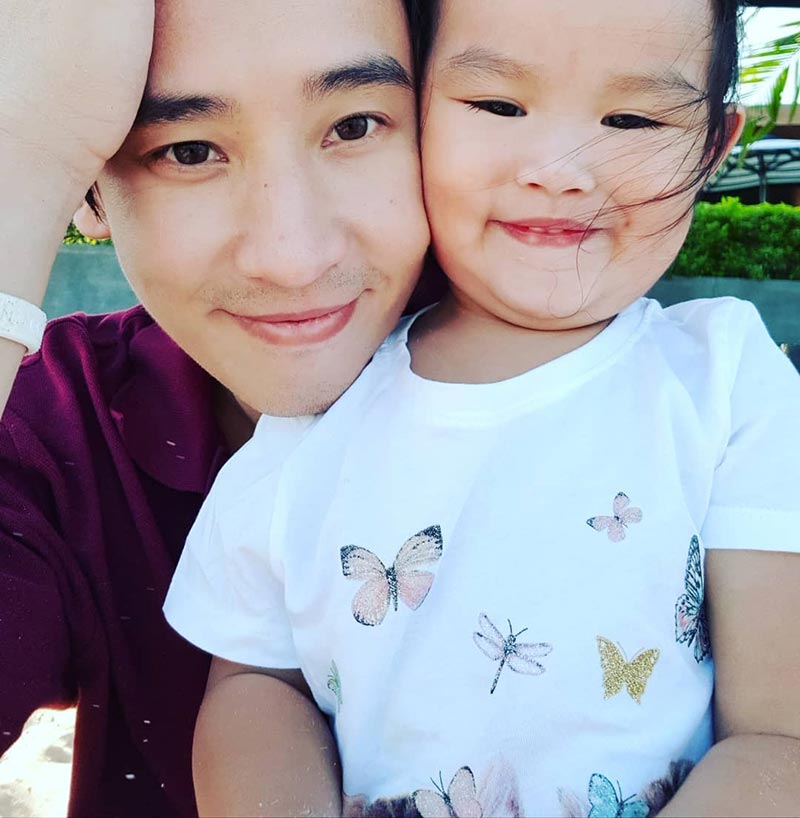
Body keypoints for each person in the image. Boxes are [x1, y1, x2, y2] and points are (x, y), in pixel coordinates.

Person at [165, 0, 800, 815]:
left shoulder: (724, 382)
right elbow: (256, 683)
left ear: (715, 146)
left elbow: (777, 734)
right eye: (498, 105)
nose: (560, 169)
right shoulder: (319, 408)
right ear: (408, 122)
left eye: (633, 119)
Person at [0, 1, 429, 815]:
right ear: (90, 193)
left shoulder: (654, 408)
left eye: (355, 126)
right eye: (189, 151)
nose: (291, 257)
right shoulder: (56, 430)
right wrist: (20, 158)